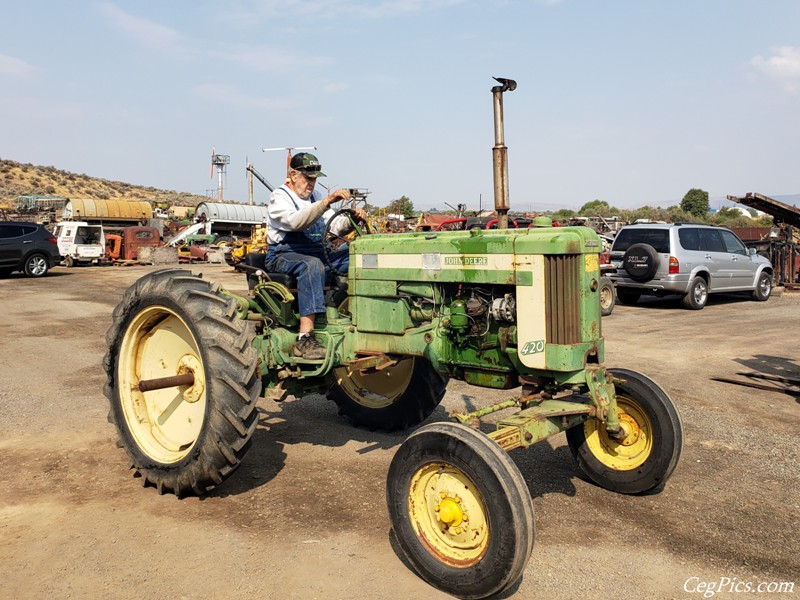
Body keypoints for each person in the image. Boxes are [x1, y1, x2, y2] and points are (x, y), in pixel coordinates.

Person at [264, 152, 366, 360]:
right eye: (307, 177)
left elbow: (333, 227)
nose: (312, 183)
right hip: (285, 254)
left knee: (358, 255)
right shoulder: (280, 197)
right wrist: (327, 201)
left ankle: (354, 313)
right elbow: (296, 222)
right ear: (293, 175)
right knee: (312, 266)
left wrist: (351, 219)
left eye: (314, 178)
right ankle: (305, 337)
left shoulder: (315, 197)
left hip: (316, 250)